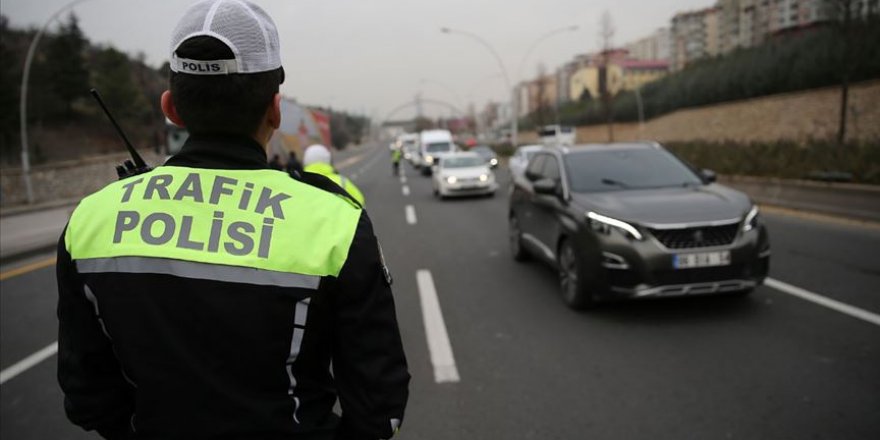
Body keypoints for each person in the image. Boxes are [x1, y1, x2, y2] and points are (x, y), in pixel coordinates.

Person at [55, 1, 409, 439]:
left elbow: (87, 396)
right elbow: (380, 409)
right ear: (274, 110)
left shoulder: (92, 220)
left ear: (171, 108)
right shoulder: (335, 222)